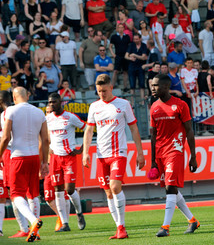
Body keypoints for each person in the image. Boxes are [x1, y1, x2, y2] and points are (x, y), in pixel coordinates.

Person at [83, 74, 146, 239]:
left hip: (119, 153)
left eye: (104, 90)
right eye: (98, 91)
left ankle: (122, 226)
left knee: (115, 187)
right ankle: (119, 228)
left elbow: (133, 128)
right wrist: (85, 153)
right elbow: (89, 131)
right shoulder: (94, 107)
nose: (101, 94)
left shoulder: (123, 104)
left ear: (111, 87)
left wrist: (140, 153)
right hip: (101, 155)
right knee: (108, 193)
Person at [150, 74, 200, 237]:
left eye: (156, 85)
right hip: (160, 153)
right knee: (169, 189)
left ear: (165, 87)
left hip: (175, 150)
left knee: (171, 188)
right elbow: (153, 135)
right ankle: (192, 221)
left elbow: (190, 131)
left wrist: (193, 156)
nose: (153, 88)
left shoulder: (180, 105)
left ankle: (165, 227)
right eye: (152, 85)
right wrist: (153, 161)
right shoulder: (154, 107)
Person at [0, 87, 50, 242]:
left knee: (16, 195)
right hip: (34, 156)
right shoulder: (39, 112)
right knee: (33, 193)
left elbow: (6, 137)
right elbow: (46, 140)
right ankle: (36, 230)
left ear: (14, 97)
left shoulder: (11, 111)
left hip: (18, 157)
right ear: (27, 96)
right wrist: (45, 162)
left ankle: (33, 221)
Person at [46, 93, 86, 232]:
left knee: (69, 190)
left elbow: (87, 129)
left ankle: (79, 213)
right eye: (50, 102)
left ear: (61, 102)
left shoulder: (70, 117)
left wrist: (82, 148)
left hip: (69, 158)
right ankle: (65, 223)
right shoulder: (48, 119)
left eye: (54, 102)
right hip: (55, 158)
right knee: (58, 190)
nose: (52, 104)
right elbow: (45, 137)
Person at [125, 34, 148, 103]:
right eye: (134, 39)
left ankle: (142, 101)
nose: (135, 40)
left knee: (142, 84)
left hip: (140, 66)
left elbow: (143, 57)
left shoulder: (144, 45)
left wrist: (135, 55)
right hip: (132, 66)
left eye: (137, 39)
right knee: (132, 85)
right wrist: (130, 58)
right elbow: (126, 56)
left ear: (140, 39)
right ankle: (132, 102)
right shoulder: (131, 45)